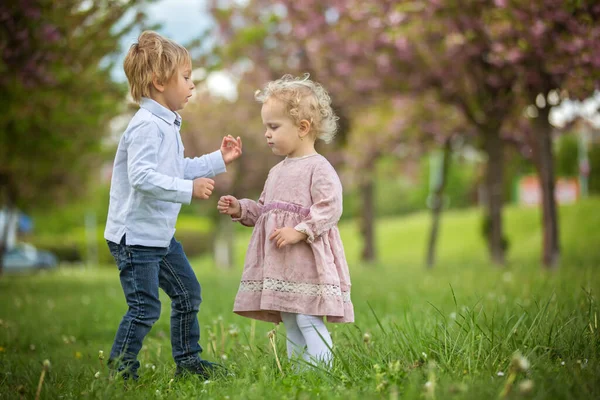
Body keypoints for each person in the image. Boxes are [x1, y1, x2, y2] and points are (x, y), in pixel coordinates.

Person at [104, 30, 242, 380]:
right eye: (186, 77)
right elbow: (143, 178)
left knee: (188, 293)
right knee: (145, 307)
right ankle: (120, 372)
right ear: (159, 82)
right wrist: (187, 189)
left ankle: (188, 362)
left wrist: (217, 159)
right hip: (135, 239)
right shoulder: (146, 126)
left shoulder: (167, 125)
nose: (192, 85)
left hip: (159, 236)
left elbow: (176, 169)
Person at [217, 74, 353, 368]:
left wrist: (301, 231)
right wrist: (241, 209)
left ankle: (323, 370)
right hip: (283, 265)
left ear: (303, 128)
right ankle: (300, 372)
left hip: (307, 262)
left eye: (274, 127)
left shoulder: (319, 167)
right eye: (266, 126)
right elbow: (266, 211)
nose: (266, 134)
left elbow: (330, 207)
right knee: (291, 317)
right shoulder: (277, 171)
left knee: (307, 316)